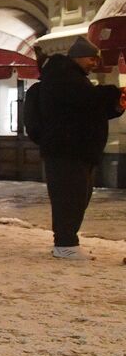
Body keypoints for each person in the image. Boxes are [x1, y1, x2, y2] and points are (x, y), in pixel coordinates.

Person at [23, 38, 126, 259]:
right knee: (69, 197)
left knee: (78, 196)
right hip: (66, 150)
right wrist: (115, 93)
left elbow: (86, 109)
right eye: (91, 58)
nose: (94, 63)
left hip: (75, 150)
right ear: (77, 57)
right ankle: (65, 244)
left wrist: (115, 105)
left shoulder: (70, 78)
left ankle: (67, 242)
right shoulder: (63, 77)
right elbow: (87, 99)